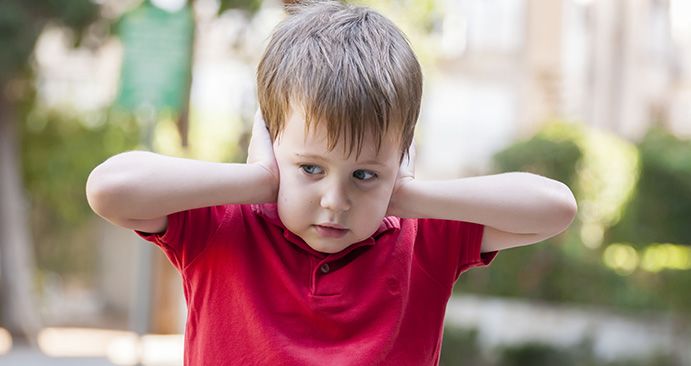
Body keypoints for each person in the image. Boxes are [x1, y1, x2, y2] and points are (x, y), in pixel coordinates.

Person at [86, 1, 577, 365]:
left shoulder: (423, 238)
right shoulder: (222, 227)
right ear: (271, 142)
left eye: (364, 174)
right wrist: (259, 181)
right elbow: (110, 188)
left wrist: (402, 195)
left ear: (402, 160)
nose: (335, 201)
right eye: (310, 169)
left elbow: (555, 207)